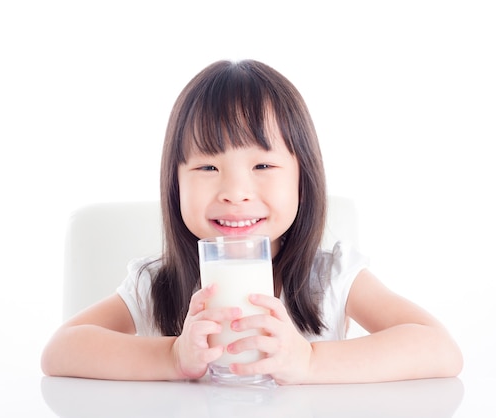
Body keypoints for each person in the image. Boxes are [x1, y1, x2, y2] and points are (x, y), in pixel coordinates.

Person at [41, 59, 463, 385]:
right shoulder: (157, 283)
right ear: (175, 185)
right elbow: (59, 351)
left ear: (303, 178)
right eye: (207, 167)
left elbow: (440, 350)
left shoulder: (330, 275)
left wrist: (309, 362)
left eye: (262, 164)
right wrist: (171, 356)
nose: (235, 192)